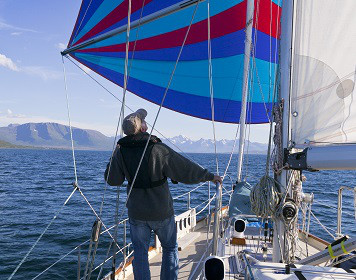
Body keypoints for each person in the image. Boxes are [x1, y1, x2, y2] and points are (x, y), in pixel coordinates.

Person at [104, 109, 222, 280]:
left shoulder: (121, 152)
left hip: (137, 213)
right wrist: (209, 176)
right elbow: (185, 169)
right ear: (142, 129)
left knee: (140, 253)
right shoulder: (157, 149)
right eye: (144, 121)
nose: (146, 123)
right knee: (169, 248)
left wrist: (115, 154)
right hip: (161, 211)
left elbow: (112, 179)